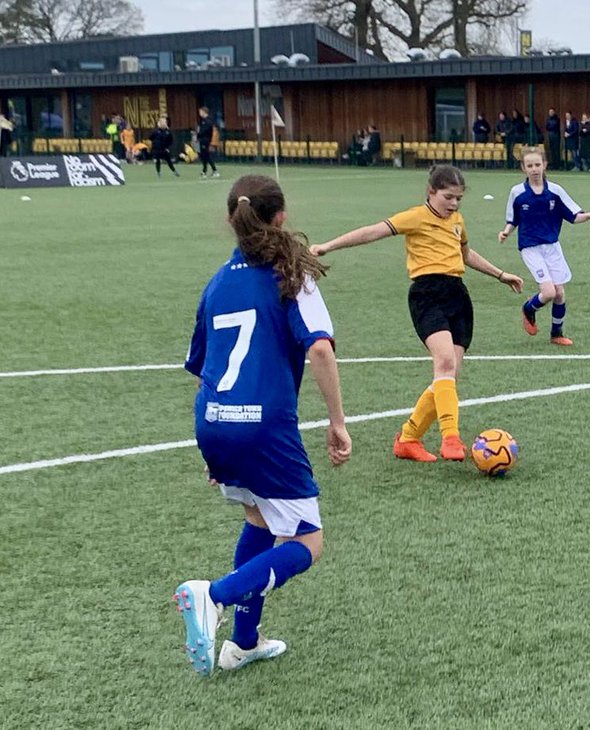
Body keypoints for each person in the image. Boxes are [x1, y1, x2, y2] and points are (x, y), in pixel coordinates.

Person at [175, 174, 352, 677]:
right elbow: (319, 346)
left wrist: (215, 444)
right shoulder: (291, 275)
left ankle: (243, 643)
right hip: (263, 427)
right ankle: (215, 595)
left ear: (233, 220)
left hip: (213, 420)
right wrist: (338, 422)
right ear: (280, 218)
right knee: (307, 541)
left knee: (259, 519)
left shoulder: (217, 283)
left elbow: (201, 369)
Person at [310, 165, 524, 462]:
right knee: (445, 362)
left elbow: (465, 254)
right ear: (431, 191)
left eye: (459, 199)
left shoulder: (458, 221)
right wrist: (328, 246)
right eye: (448, 197)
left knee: (449, 375)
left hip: (457, 296)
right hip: (427, 294)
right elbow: (372, 232)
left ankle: (409, 438)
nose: (453, 204)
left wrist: (500, 274)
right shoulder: (415, 217)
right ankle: (451, 438)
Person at [499, 147, 590, 346]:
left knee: (559, 293)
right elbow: (513, 219)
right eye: (529, 165)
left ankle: (556, 334)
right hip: (530, 247)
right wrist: (506, 231)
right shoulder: (518, 193)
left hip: (552, 247)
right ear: (523, 168)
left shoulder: (555, 191)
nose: (534, 169)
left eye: (537, 164)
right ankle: (528, 309)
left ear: (545, 165)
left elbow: (573, 216)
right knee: (548, 292)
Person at [197, 107, 220, 178]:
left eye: (200, 112)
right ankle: (204, 171)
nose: (199, 113)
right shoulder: (204, 120)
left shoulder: (207, 121)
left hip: (205, 140)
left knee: (206, 156)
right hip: (203, 140)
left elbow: (204, 131)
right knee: (204, 156)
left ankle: (214, 171)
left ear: (204, 112)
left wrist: (199, 134)